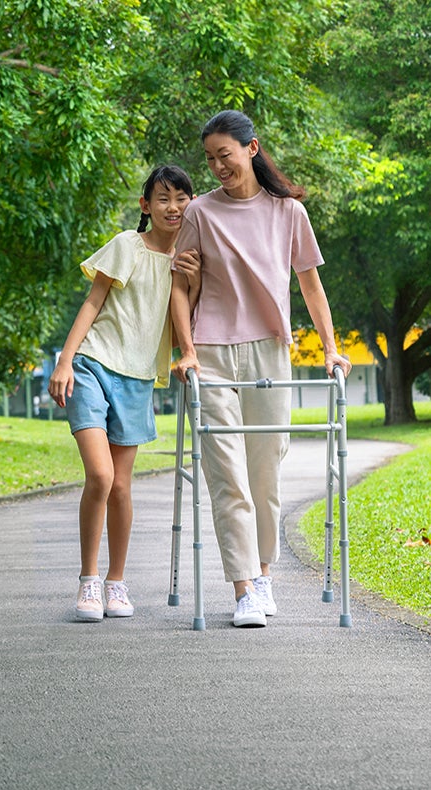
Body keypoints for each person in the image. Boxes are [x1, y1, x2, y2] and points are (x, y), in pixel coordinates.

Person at [170, 110, 352, 628]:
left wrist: (330, 348)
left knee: (265, 472)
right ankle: (244, 589)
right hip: (211, 353)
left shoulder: (288, 213)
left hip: (271, 351)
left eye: (223, 154)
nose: (216, 166)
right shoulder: (199, 214)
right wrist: (186, 350)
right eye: (209, 158)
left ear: (250, 148)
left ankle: (265, 573)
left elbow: (311, 287)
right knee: (227, 476)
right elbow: (180, 291)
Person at [48, 165, 200, 622]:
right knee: (101, 476)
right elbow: (92, 302)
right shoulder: (126, 246)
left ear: (191, 204)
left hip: (137, 379)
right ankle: (88, 580)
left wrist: (190, 284)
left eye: (181, 198)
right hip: (92, 365)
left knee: (123, 486)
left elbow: (180, 328)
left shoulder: (187, 260)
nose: (172, 207)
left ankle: (117, 581)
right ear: (146, 205)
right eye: (162, 198)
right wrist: (64, 360)